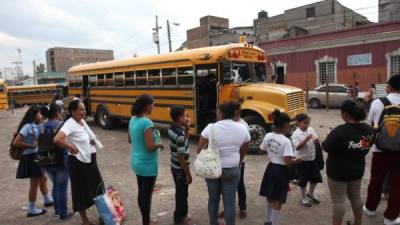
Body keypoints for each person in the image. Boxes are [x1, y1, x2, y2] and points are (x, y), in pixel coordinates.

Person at [197, 100, 250, 225]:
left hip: (212, 169)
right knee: (229, 202)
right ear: (234, 113)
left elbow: (199, 150)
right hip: (232, 168)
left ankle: (213, 223)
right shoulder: (242, 128)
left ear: (220, 113)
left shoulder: (210, 128)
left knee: (213, 200)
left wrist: (211, 149)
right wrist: (239, 160)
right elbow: (245, 147)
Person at [322, 100, 373, 225]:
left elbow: (326, 147)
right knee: (356, 197)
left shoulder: (339, 131)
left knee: (338, 201)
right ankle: (358, 222)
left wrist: (329, 135)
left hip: (338, 173)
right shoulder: (368, 129)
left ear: (345, 114)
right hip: (357, 170)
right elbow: (366, 145)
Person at [54, 100, 104, 225]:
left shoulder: (82, 122)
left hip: (90, 160)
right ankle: (85, 220)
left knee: (97, 188)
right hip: (77, 162)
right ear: (72, 111)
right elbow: (57, 139)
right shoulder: (69, 124)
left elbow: (84, 139)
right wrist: (70, 147)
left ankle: (105, 215)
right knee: (79, 190)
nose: (84, 111)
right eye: (81, 109)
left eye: (84, 109)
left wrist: (91, 141)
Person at [364, 74, 400, 225]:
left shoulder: (378, 102)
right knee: (397, 184)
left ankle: (371, 208)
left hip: (380, 150)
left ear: (389, 87)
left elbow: (372, 122)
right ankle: (390, 217)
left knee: (376, 180)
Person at [259, 110, 302, 225]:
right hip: (281, 171)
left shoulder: (268, 135)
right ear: (286, 125)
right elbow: (287, 162)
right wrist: (297, 160)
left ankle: (268, 220)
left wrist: (271, 151)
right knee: (278, 200)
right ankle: (274, 223)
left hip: (271, 167)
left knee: (269, 196)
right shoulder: (286, 141)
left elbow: (261, 151)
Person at [128, 94, 163, 225]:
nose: (153, 107)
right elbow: (149, 147)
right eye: (153, 105)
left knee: (142, 193)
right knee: (146, 196)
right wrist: (159, 144)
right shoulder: (147, 122)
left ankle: (146, 220)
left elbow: (130, 139)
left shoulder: (132, 119)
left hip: (136, 162)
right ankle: (146, 222)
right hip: (147, 164)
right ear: (148, 106)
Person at [14, 105, 53, 217]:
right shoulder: (27, 126)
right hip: (30, 157)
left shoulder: (35, 125)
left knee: (43, 178)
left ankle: (47, 200)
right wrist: (31, 145)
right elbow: (16, 142)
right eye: (40, 113)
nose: (41, 116)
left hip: (35, 156)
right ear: (34, 115)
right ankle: (31, 209)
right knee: (34, 184)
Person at [42, 103, 74, 220]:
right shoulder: (61, 124)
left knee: (56, 184)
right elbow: (67, 139)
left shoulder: (43, 126)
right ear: (57, 113)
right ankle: (63, 214)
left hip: (45, 159)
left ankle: (57, 210)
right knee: (62, 186)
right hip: (60, 159)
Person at [219, 107, 250, 219]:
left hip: (239, 161)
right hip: (226, 162)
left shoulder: (243, 125)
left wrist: (240, 160)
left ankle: (242, 208)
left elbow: (245, 144)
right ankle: (227, 208)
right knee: (225, 187)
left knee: (240, 185)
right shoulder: (226, 123)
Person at [168, 106, 193, 225]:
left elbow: (185, 143)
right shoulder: (180, 134)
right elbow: (181, 157)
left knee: (181, 192)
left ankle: (181, 215)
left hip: (174, 166)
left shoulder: (173, 128)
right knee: (182, 194)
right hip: (180, 169)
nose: (187, 117)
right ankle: (179, 219)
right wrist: (188, 174)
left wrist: (187, 128)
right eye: (185, 115)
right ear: (179, 118)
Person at [291, 113, 322, 207]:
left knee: (315, 178)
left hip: (312, 159)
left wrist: (316, 140)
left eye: (308, 123)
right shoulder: (295, 134)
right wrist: (306, 139)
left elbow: (315, 139)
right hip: (302, 161)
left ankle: (311, 194)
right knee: (303, 181)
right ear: (298, 123)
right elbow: (297, 147)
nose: (307, 125)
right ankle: (303, 197)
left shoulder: (310, 129)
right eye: (304, 123)